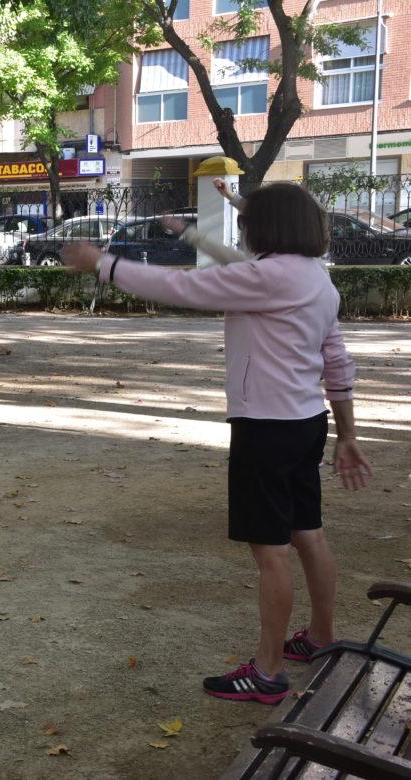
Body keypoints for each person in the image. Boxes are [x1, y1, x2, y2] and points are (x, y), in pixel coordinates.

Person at [62, 183, 372, 705]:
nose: (244, 227)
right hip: (304, 423)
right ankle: (320, 636)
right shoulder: (314, 279)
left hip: (265, 429)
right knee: (307, 533)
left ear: (266, 228)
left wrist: (103, 263)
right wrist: (348, 434)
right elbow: (335, 359)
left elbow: (187, 289)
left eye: (250, 219)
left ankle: (268, 671)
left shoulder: (269, 277)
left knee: (270, 549)